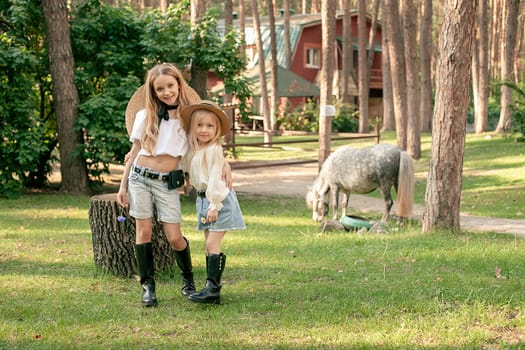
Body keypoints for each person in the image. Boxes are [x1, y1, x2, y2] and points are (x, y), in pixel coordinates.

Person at [117, 63, 201, 307]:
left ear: (178, 85)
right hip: (140, 177)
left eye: (170, 86)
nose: (166, 92)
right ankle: (147, 286)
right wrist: (123, 186)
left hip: (168, 183)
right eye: (160, 89)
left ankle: (188, 280)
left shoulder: (190, 119)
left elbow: (206, 145)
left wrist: (223, 166)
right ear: (153, 92)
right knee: (143, 231)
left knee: (174, 237)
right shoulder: (145, 116)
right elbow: (134, 152)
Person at [179, 100, 246, 305]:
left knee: (212, 243)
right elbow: (184, 164)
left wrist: (214, 205)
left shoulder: (214, 150)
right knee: (208, 246)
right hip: (202, 200)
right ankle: (211, 290)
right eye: (199, 125)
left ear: (217, 129)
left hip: (218, 201)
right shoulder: (195, 149)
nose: (204, 130)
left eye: (209, 126)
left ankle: (212, 290)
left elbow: (217, 179)